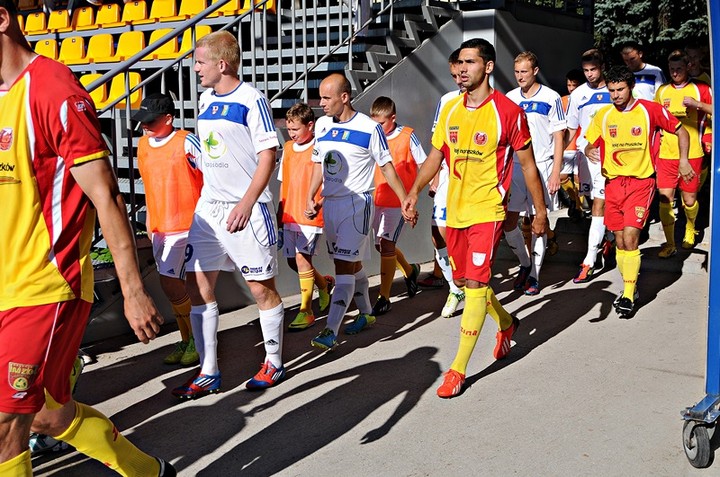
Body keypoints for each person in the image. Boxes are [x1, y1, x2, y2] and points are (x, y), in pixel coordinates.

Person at [0, 1, 175, 475]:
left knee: (5, 426)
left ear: (1, 19)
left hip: (45, 285)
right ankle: (151, 472)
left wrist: (134, 291)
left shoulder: (54, 89)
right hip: (5, 286)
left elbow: (107, 196)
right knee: (48, 416)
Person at [402, 38, 548, 399]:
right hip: (456, 210)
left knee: (476, 286)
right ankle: (506, 322)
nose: (462, 69)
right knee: (470, 282)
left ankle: (458, 369)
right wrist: (413, 191)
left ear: (487, 66)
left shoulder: (508, 112)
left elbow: (528, 166)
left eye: (469, 62)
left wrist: (541, 211)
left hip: (488, 210)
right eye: (459, 63)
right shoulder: (451, 109)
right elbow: (435, 157)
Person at [171, 31, 286, 399]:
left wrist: (247, 203)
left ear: (222, 64)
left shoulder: (253, 99)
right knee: (197, 287)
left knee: (260, 290)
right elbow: (218, 153)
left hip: (247, 210)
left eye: (200, 63)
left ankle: (274, 362)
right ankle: (208, 371)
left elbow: (268, 154)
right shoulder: (205, 100)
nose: (196, 70)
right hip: (210, 208)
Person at [305, 73, 409, 350]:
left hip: (357, 206)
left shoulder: (369, 128)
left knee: (342, 267)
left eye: (327, 98)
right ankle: (366, 314)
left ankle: (330, 330)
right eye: (320, 97)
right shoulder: (323, 126)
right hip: (331, 205)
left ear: (344, 97)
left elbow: (387, 167)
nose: (321, 103)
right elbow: (319, 163)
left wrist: (404, 200)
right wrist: (311, 196)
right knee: (353, 264)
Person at [585, 65, 690, 317]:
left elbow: (681, 130)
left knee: (631, 238)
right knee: (620, 240)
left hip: (641, 183)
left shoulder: (649, 110)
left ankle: (630, 296)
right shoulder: (604, 115)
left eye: (620, 89)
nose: (616, 95)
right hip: (613, 185)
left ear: (630, 87)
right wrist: (589, 149)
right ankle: (629, 287)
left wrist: (684, 160)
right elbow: (590, 142)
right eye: (611, 90)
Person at [133, 93, 203, 367]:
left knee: (184, 285)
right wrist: (150, 220)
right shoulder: (143, 144)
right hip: (161, 226)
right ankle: (187, 338)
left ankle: (196, 339)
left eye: (150, 121)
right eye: (143, 121)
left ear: (169, 119)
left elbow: (209, 176)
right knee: (172, 286)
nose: (144, 126)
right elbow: (150, 184)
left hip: (189, 225)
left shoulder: (187, 141)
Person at [504, 51, 566, 296]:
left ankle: (534, 276)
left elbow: (559, 136)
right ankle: (525, 263)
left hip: (541, 164)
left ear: (535, 71)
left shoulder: (551, 97)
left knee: (538, 221)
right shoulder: (509, 97)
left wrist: (556, 172)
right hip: (516, 168)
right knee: (509, 223)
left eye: (524, 72)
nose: (520, 76)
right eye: (517, 72)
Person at [277, 102, 334, 330]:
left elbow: (329, 183)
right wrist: (280, 211)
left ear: (310, 125)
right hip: (290, 214)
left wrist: (319, 204)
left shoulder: (320, 149)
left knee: (302, 259)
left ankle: (306, 311)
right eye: (289, 130)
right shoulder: (289, 148)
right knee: (293, 261)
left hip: (309, 216)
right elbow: (283, 183)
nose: (292, 134)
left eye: (296, 130)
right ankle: (323, 284)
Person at [422, 48, 469, 318]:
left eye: (462, 73)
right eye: (454, 75)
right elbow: (438, 145)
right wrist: (436, 178)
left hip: (474, 181)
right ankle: (454, 287)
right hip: (448, 178)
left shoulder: (490, 102)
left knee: (462, 235)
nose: (458, 79)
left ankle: (471, 284)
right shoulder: (447, 100)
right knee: (437, 232)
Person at [368, 96, 426, 315]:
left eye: (381, 123)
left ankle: (384, 297)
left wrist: (419, 195)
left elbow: (424, 162)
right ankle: (410, 271)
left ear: (393, 118)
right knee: (380, 246)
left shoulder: (407, 136)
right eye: (375, 123)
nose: (378, 128)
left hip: (397, 202)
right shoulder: (372, 135)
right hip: (377, 199)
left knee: (386, 245)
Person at [654, 50, 712, 256]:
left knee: (689, 201)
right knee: (664, 199)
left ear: (687, 68)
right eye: (672, 69)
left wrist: (697, 105)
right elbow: (654, 121)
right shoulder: (662, 91)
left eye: (679, 68)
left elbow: (715, 111)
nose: (675, 73)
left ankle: (690, 226)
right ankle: (669, 244)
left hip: (693, 154)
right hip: (666, 154)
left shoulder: (701, 88)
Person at [565, 48, 613, 283]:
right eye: (586, 70)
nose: (590, 74)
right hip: (587, 157)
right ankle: (608, 240)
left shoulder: (615, 89)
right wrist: (562, 158)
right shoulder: (578, 94)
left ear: (602, 67)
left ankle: (589, 261)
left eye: (593, 69)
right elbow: (572, 129)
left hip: (611, 157)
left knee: (600, 205)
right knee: (594, 204)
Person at [559, 68, 586, 220]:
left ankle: (579, 208)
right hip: (568, 144)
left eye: (574, 86)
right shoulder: (563, 100)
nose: (571, 89)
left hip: (582, 143)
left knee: (579, 178)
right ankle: (574, 200)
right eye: (569, 85)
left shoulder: (585, 98)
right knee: (562, 176)